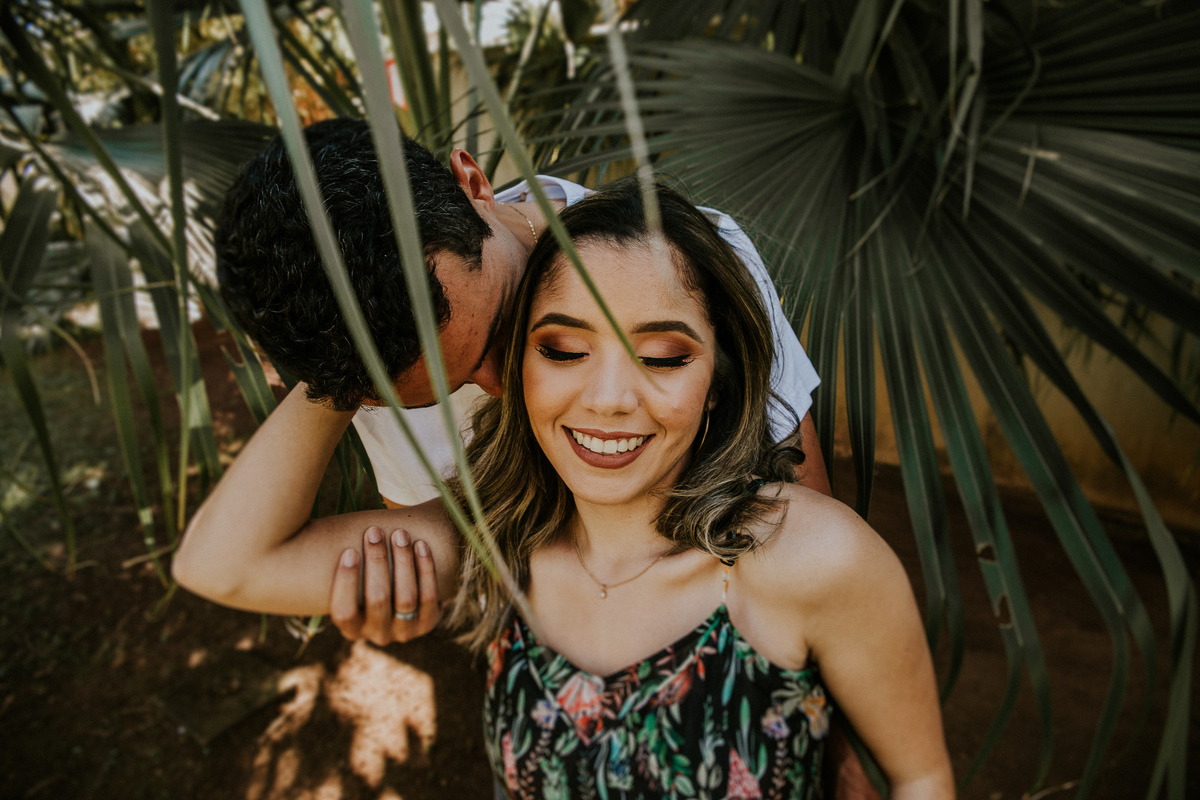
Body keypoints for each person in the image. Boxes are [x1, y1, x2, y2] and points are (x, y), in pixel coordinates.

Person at [178, 180, 953, 799]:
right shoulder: (493, 543)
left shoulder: (817, 557)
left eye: (663, 357)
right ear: (524, 371)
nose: (611, 398)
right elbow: (222, 563)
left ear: (719, 380)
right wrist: (343, 353)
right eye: (562, 349)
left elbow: (917, 773)